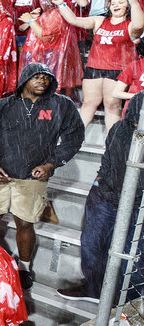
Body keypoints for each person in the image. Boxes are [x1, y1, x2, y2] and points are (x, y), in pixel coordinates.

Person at [0, 63, 84, 284]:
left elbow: (74, 137)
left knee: (25, 223)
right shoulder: (3, 105)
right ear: (24, 80)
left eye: (46, 78)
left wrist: (51, 165)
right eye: (36, 77)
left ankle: (24, 268)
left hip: (32, 177)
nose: (42, 81)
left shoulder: (61, 105)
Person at [59, 92, 144, 302]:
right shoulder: (119, 128)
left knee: (132, 253)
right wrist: (98, 180)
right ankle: (93, 288)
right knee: (92, 245)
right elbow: (108, 156)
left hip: (138, 203)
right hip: (105, 195)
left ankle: (127, 301)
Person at [50, 0, 144, 131]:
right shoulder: (99, 20)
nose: (116, 5)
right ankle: (73, 140)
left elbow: (139, 25)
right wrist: (61, 3)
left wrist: (135, 3)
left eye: (121, 3)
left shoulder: (130, 24)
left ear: (128, 7)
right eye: (113, 3)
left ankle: (111, 147)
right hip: (94, 67)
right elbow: (74, 20)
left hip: (118, 70)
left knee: (112, 107)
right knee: (88, 103)